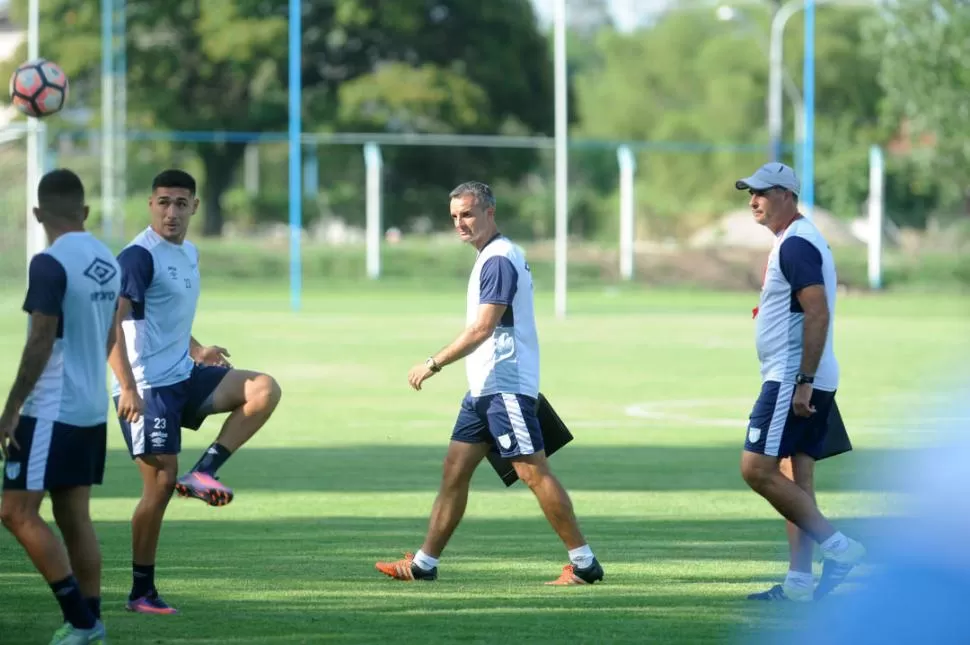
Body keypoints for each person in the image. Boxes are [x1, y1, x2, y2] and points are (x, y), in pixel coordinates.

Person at [374, 181, 603, 586]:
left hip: (504, 385)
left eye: (467, 214)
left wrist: (433, 362)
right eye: (454, 217)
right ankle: (425, 564)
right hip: (483, 389)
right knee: (454, 471)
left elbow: (482, 328)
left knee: (533, 472)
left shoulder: (498, 258)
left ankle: (584, 563)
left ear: (489, 213)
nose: (460, 223)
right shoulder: (491, 255)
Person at [108, 169, 282, 614]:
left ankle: (203, 472)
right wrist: (127, 386)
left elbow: (164, 317)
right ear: (151, 205)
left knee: (263, 390)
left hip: (184, 374)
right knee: (159, 486)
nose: (171, 212)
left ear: (194, 208)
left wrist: (198, 348)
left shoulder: (188, 253)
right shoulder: (136, 257)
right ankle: (141, 593)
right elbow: (108, 324)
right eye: (163, 202)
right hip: (147, 387)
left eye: (180, 203)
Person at [734, 163, 866, 602]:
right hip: (806, 375)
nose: (753, 200)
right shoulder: (798, 239)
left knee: (756, 469)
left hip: (793, 378)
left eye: (762, 192)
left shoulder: (795, 245)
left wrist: (803, 382)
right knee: (796, 479)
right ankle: (798, 585)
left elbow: (818, 311)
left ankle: (840, 548)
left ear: (787, 195)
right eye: (750, 193)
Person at [0, 169, 121, 644]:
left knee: (15, 511)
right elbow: (110, 335)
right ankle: (91, 622)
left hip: (51, 409)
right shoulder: (106, 260)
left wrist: (10, 410)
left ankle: (82, 620)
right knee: (74, 517)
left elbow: (40, 342)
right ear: (85, 212)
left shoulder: (49, 263)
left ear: (37, 214)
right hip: (91, 409)